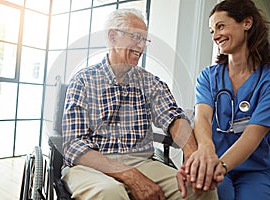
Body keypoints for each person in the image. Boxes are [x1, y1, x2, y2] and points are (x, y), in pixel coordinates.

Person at [61, 8, 217, 200]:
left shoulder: (150, 82)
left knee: (200, 189)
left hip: (141, 162)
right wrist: (130, 175)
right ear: (112, 36)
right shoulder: (83, 80)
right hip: (91, 165)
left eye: (145, 39)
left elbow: (173, 117)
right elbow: (74, 145)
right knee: (110, 193)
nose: (141, 45)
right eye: (136, 37)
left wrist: (194, 159)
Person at [180, 0, 270, 199]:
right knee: (216, 195)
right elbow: (202, 118)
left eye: (221, 26)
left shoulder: (267, 80)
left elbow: (253, 134)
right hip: (213, 161)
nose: (215, 36)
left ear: (247, 23)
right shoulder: (208, 77)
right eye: (212, 31)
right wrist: (207, 152)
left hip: (254, 170)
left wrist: (221, 165)